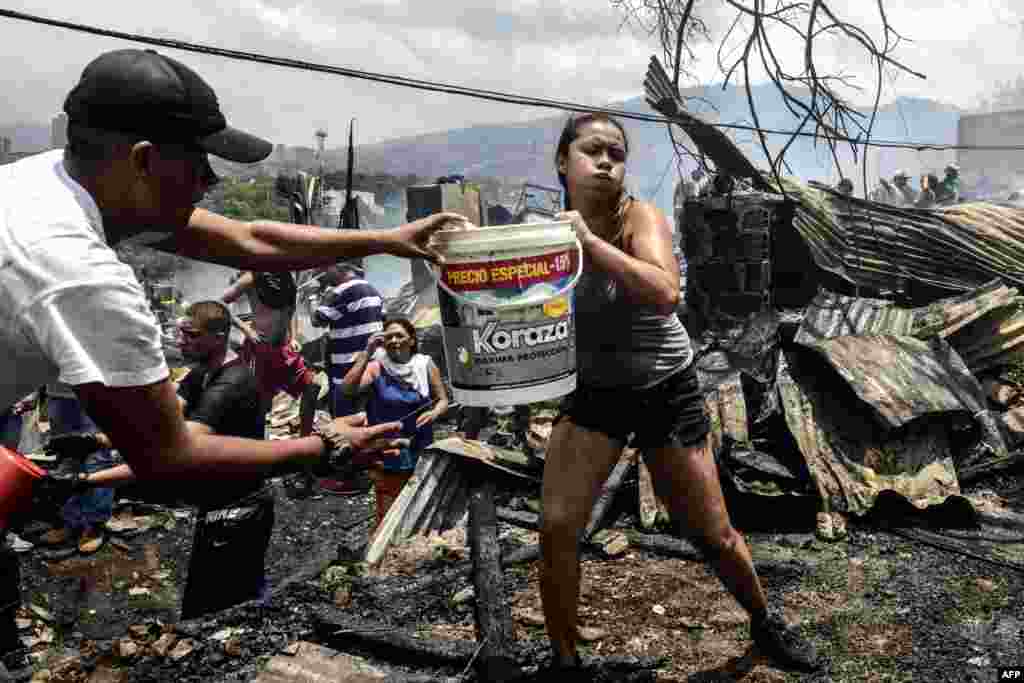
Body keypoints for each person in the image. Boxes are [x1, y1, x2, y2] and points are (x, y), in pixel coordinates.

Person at [0, 48, 461, 665]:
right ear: (143, 161)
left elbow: (251, 239)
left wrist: (385, 238)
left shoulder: (50, 179)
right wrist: (323, 447)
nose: (211, 185)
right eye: (201, 166)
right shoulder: (76, 272)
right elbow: (170, 457)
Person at [537, 113, 821, 675]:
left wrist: (589, 242)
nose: (605, 162)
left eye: (615, 154)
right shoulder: (546, 234)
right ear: (562, 163)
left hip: (665, 389)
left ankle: (766, 623)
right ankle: (564, 662)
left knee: (712, 533)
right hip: (596, 392)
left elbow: (665, 291)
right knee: (556, 527)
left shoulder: (639, 217)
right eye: (592, 151)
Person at [341, 317, 449, 527]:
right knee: (388, 511)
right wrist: (367, 353)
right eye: (388, 336)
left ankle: (413, 552)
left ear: (411, 340)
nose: (394, 340)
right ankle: (382, 554)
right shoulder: (376, 367)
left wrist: (434, 414)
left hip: (421, 444)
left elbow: (443, 399)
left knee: (419, 503)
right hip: (388, 451)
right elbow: (347, 390)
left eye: (399, 335)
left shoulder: (424, 364)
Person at [228, 272, 320, 498]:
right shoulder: (251, 277)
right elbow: (221, 303)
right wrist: (247, 329)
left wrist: (295, 334)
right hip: (261, 350)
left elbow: (292, 309)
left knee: (312, 387)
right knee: (259, 407)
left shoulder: (286, 276)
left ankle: (303, 459)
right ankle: (254, 470)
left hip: (286, 349)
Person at [312, 262, 385, 495]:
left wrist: (313, 295)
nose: (322, 272)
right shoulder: (372, 289)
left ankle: (348, 479)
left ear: (339, 267)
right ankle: (368, 467)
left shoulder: (341, 292)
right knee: (366, 419)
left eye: (326, 268)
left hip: (347, 369)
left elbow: (317, 319)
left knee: (343, 423)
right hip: (371, 365)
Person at [35, 382, 116, 557]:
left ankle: (95, 524)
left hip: (97, 389)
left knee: (97, 458)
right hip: (59, 391)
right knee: (66, 457)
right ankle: (70, 521)